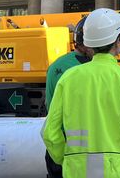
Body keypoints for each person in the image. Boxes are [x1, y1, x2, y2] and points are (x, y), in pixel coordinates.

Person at [42, 8, 120, 177]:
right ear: (118, 41)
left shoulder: (68, 78)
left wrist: (67, 158)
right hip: (118, 171)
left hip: (76, 170)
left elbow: (49, 132)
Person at [44, 16, 93, 178]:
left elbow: (50, 106)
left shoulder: (56, 66)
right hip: (81, 151)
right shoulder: (90, 69)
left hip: (59, 149)